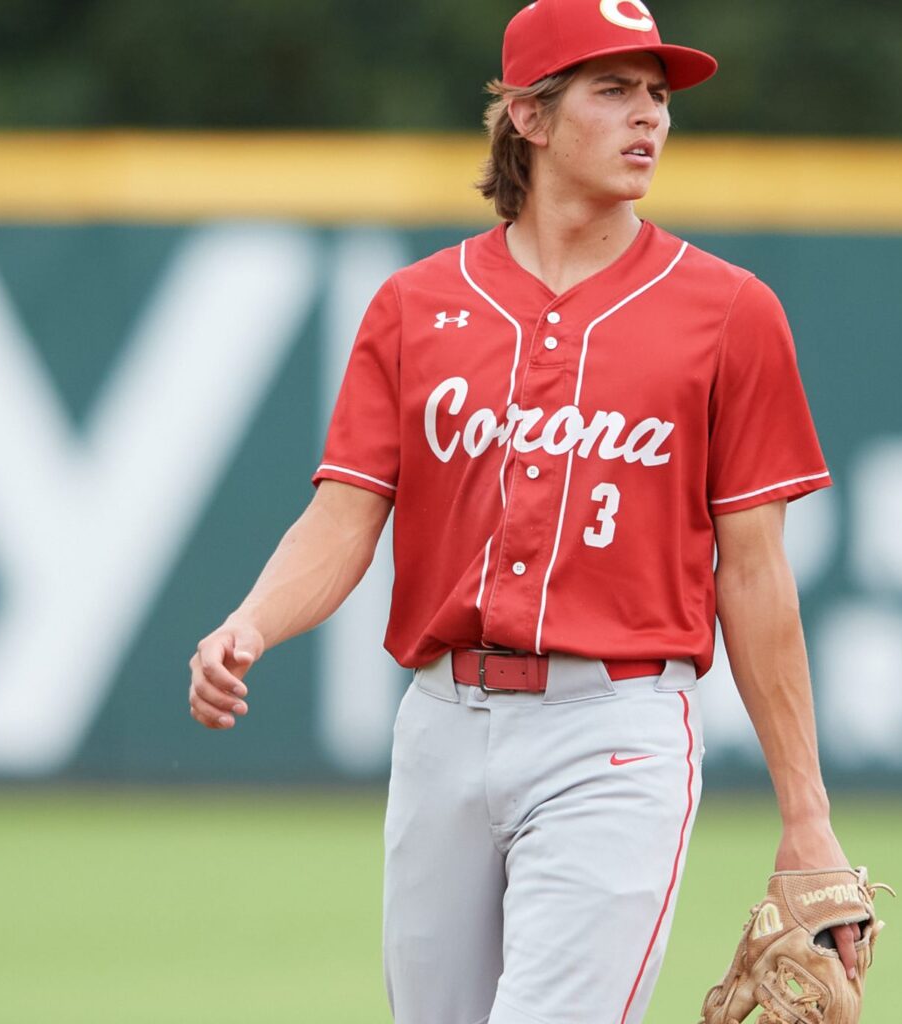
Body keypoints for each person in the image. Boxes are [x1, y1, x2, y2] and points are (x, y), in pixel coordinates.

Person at [186, 2, 861, 1020]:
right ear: (530, 118)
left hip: (617, 731)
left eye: (658, 95)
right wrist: (252, 622)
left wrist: (806, 816)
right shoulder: (416, 303)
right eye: (613, 90)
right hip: (441, 726)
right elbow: (345, 514)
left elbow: (757, 572)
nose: (650, 116)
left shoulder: (728, 311)